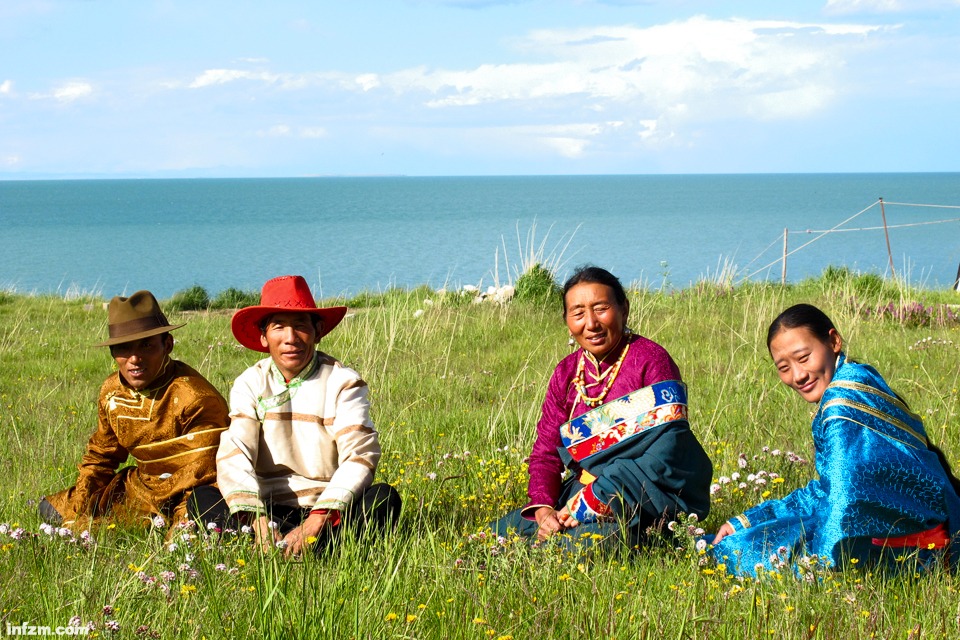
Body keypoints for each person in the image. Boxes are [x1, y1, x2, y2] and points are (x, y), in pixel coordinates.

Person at [711, 303, 960, 575]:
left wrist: (823, 568)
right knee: (752, 534)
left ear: (834, 341)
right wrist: (749, 519)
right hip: (926, 524)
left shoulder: (840, 403)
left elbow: (843, 498)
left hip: (906, 550)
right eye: (783, 367)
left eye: (804, 357)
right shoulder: (859, 375)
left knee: (735, 551)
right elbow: (827, 488)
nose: (798, 375)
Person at [492, 266, 712, 549]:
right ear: (567, 319)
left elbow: (669, 448)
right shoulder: (567, 372)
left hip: (640, 502)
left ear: (624, 309)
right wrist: (544, 508)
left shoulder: (650, 361)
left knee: (584, 547)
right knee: (494, 537)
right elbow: (546, 453)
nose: (591, 323)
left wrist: (598, 496)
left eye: (601, 308)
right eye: (578, 313)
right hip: (578, 495)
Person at [197, 275, 401, 557]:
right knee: (203, 498)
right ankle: (273, 542)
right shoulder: (249, 382)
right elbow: (236, 454)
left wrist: (316, 521)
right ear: (263, 336)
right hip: (266, 508)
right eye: (279, 327)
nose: (290, 339)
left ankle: (308, 547)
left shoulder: (343, 382)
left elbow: (359, 456)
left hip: (326, 507)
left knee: (383, 498)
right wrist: (258, 523)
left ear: (317, 332)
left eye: (300, 326)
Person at [39, 291, 230, 533]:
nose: (135, 359)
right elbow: (101, 456)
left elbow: (202, 474)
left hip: (187, 492)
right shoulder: (111, 391)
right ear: (113, 354)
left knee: (199, 519)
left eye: (147, 345)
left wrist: (175, 524)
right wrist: (78, 512)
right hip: (137, 488)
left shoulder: (195, 397)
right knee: (50, 509)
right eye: (123, 348)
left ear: (167, 345)